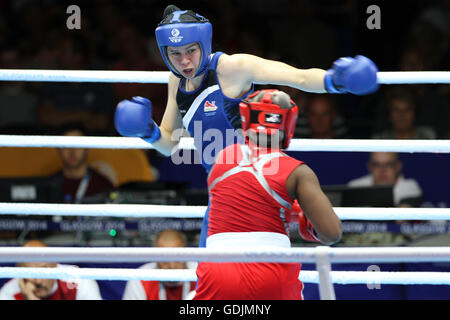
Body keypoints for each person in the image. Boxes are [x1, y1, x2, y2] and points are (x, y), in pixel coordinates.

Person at [113, 5, 377, 247]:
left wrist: (336, 80)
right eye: (176, 54)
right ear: (165, 54)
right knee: (211, 278)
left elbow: (300, 77)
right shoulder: (176, 81)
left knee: (264, 274)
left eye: (191, 50)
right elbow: (169, 144)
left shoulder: (232, 67)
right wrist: (147, 131)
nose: (185, 61)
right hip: (220, 198)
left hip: (261, 190)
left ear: (204, 44)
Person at [191, 89, 341, 300]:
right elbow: (332, 233)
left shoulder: (221, 159)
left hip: (218, 269)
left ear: (246, 120)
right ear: (288, 125)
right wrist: (308, 224)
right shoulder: (296, 171)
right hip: (272, 266)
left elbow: (245, 202)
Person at [0, 240, 102, 300]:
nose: (38, 281)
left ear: (55, 266)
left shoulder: (79, 281)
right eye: (31, 273)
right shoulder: (10, 292)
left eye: (44, 271)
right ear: (20, 271)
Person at [122, 229, 196, 300]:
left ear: (187, 255)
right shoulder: (140, 278)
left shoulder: (201, 275)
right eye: (165, 259)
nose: (172, 266)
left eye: (177, 258)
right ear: (155, 257)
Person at [54, 122, 114, 203]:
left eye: (78, 144)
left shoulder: (103, 186)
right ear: (58, 149)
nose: (72, 151)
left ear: (87, 148)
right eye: (66, 145)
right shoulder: (50, 185)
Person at [348, 152, 423, 207]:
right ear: (369, 166)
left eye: (388, 164)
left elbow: (400, 219)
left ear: (398, 166)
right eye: (377, 165)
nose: (382, 170)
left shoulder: (409, 187)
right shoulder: (355, 187)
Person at [371, 87, 437, 140]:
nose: (401, 115)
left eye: (407, 110)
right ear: (389, 114)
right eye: (396, 110)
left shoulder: (428, 137)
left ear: (415, 113)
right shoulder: (379, 141)